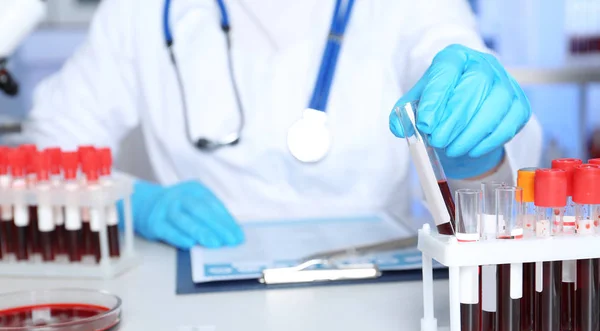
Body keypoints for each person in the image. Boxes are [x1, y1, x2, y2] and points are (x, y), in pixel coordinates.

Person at [20, 0, 541, 249]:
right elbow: (50, 142)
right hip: (195, 286)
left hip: (381, 284)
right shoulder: (140, 12)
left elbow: (442, 48)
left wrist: (475, 135)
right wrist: (133, 202)